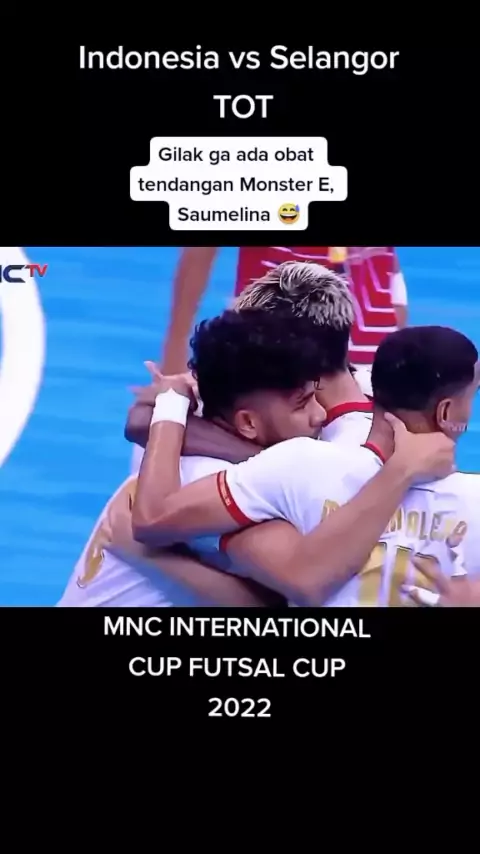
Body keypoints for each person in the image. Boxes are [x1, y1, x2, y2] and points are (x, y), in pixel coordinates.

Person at [130, 326, 478, 606]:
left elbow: (153, 518)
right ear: (446, 412)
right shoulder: (473, 501)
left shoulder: (298, 463)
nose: (319, 413)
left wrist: (173, 400)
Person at [57, 309, 329, 606]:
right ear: (248, 423)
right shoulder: (212, 483)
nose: (320, 415)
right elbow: (287, 601)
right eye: (302, 404)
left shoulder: (175, 433)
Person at [127, 262, 374, 464]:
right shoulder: (377, 387)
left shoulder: (347, 452)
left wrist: (264, 462)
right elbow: (139, 420)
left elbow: (145, 423)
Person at [161, 246, 407, 375]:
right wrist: (174, 355)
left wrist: (398, 346)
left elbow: (385, 259)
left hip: (369, 350)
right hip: (272, 344)